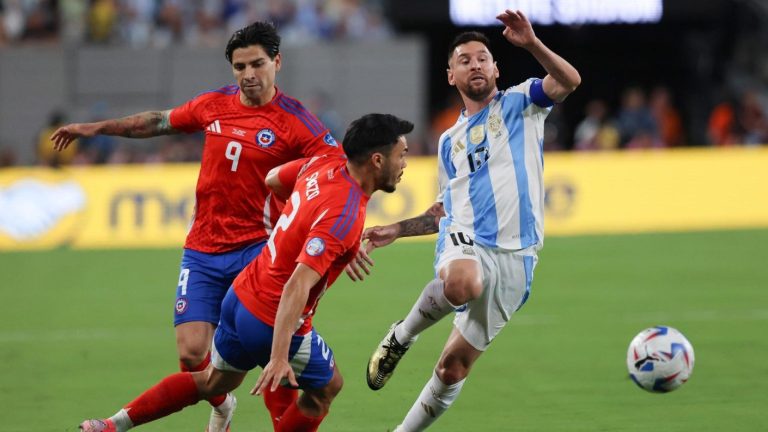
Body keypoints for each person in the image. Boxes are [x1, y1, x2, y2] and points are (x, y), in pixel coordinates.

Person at [51, 21, 345, 431]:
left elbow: (338, 168)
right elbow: (157, 121)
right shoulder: (214, 104)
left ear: (277, 62)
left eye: (257, 64)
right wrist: (96, 128)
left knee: (268, 349)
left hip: (259, 253)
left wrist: (350, 223)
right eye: (240, 66)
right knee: (192, 354)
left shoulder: (297, 121)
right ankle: (221, 403)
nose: (249, 75)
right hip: (203, 249)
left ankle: (280, 421)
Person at [77, 112, 413, 432]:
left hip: (240, 296)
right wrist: (279, 357)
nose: (405, 164)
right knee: (328, 388)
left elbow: (273, 180)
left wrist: (302, 227)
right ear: (377, 160)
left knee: (213, 381)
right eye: (402, 155)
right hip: (270, 319)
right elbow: (297, 285)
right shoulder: (345, 215)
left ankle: (114, 423)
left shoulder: (322, 162)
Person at [359, 10, 580, 431]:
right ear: (450, 76)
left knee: (452, 369)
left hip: (519, 256)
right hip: (468, 240)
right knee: (463, 283)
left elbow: (569, 81)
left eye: (482, 58)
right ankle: (402, 335)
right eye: (464, 59)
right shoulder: (449, 141)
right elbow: (448, 208)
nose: (475, 64)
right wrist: (401, 229)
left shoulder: (523, 103)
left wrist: (532, 43)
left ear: (496, 68)